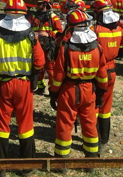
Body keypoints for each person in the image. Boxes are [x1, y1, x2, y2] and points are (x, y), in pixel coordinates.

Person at [0, 0, 45, 176]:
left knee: (1, 123)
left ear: (6, 13)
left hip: (3, 84)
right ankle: (27, 166)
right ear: (24, 14)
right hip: (24, 84)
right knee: (25, 123)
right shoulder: (31, 35)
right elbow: (40, 63)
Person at [50, 10, 108, 161]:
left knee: (64, 124)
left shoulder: (66, 49)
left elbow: (58, 76)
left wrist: (53, 93)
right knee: (90, 123)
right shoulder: (98, 48)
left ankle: (61, 161)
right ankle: (92, 156)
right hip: (90, 91)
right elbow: (102, 74)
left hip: (68, 91)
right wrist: (101, 93)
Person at [91, 0, 123, 150]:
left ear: (98, 14)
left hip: (98, 73)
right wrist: (119, 54)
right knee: (106, 106)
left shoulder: (95, 30)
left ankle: (94, 139)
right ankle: (104, 139)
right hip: (112, 72)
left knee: (95, 105)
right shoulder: (117, 29)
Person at [28, 0, 63, 94]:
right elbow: (28, 28)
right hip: (37, 45)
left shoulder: (53, 16)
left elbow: (59, 32)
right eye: (36, 3)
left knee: (50, 68)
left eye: (39, 3)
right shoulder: (33, 16)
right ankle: (40, 87)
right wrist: (34, 33)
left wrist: (49, 34)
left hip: (49, 45)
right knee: (38, 67)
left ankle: (52, 89)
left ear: (45, 4)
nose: (37, 5)